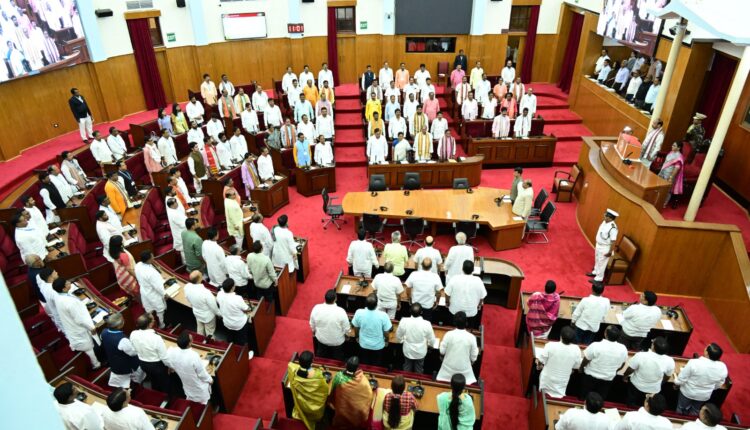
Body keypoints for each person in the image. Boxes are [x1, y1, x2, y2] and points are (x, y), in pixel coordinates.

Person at [53, 277, 101, 369]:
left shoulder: (59, 296)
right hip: (79, 328)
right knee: (88, 348)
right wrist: (91, 328)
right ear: (63, 288)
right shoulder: (70, 302)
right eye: (66, 282)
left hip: (71, 326)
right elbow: (80, 319)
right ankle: (96, 365)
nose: (68, 282)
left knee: (84, 345)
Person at [674, 343, 728, 416]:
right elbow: (719, 384)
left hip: (687, 392)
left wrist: (676, 381)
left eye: (706, 347)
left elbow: (681, 379)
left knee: (681, 408)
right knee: (695, 411)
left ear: (707, 353)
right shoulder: (722, 367)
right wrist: (710, 388)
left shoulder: (694, 362)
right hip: (704, 395)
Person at [622, 337, 675, 407]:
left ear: (653, 346)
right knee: (648, 405)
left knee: (631, 402)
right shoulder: (670, 361)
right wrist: (661, 383)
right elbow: (667, 376)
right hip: (653, 389)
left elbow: (631, 369)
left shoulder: (641, 355)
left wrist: (625, 376)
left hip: (636, 386)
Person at [579, 325, 628, 399]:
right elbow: (623, 364)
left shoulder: (596, 345)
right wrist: (614, 371)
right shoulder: (623, 348)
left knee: (584, 396)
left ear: (605, 334)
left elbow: (586, 359)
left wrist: (581, 368)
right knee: (600, 398)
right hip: (608, 378)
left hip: (590, 377)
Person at [165, 331, 213, 404]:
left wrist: (170, 367)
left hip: (186, 385)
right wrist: (210, 380)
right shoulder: (194, 356)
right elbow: (201, 374)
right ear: (189, 343)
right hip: (199, 386)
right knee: (203, 403)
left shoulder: (172, 351)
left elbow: (167, 358)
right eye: (191, 339)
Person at [328, 356, 374, 429]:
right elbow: (370, 395)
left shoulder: (339, 377)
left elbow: (333, 392)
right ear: (357, 368)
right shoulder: (363, 379)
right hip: (356, 415)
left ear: (346, 365)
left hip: (341, 411)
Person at [101, 313, 144, 389]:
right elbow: (133, 353)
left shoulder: (103, 332)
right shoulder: (122, 340)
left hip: (113, 361)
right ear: (120, 325)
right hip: (125, 365)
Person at [129, 313, 171, 393]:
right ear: (150, 324)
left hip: (143, 363)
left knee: (153, 379)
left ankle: (155, 393)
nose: (154, 321)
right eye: (153, 320)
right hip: (157, 365)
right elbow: (164, 357)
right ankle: (167, 398)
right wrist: (169, 366)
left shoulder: (133, 334)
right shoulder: (156, 338)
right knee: (165, 383)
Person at [287, 350, 329, 430]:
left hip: (301, 405)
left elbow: (290, 365)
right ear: (312, 362)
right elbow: (325, 390)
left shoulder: (294, 372)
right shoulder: (318, 375)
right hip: (314, 409)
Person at [537, 326, 582, 398]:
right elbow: (576, 366)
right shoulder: (577, 350)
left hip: (547, 379)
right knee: (558, 397)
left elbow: (541, 360)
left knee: (542, 396)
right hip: (562, 381)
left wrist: (539, 366)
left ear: (560, 336)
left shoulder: (550, 345)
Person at [437, 311, 479, 385]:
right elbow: (474, 358)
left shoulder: (448, 334)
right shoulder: (472, 337)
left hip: (447, 370)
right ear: (466, 323)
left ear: (454, 322)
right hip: (465, 371)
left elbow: (442, 351)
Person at [351, 294, 392, 367]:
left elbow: (356, 327)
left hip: (363, 344)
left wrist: (357, 337)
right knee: (376, 365)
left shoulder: (359, 312)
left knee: (364, 362)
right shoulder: (383, 315)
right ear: (377, 304)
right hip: (378, 346)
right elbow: (386, 332)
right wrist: (386, 341)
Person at [309, 289, 350, 361]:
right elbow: (346, 328)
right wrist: (347, 336)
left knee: (321, 359)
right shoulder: (341, 311)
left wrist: (314, 332)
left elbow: (312, 324)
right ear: (336, 299)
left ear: (324, 298)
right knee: (338, 360)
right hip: (337, 342)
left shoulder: (316, 308)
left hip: (321, 339)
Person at [445, 260, 486, 327]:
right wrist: (479, 305)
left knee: (454, 327)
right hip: (471, 311)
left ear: (462, 268)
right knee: (469, 327)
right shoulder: (478, 280)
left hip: (455, 310)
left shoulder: (455, 278)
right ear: (473, 270)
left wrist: (447, 302)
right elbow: (482, 296)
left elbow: (447, 293)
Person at [397, 303, 436, 373]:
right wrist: (431, 345)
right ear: (421, 312)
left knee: (407, 368)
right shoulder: (427, 324)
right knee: (419, 369)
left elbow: (398, 336)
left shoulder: (404, 321)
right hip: (420, 352)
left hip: (407, 350)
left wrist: (401, 341)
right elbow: (432, 339)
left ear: (410, 311)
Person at [135, 251, 168, 328]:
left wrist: (159, 277)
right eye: (152, 257)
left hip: (144, 291)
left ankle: (149, 322)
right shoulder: (151, 273)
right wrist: (165, 294)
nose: (153, 258)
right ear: (149, 259)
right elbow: (158, 286)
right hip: (153, 294)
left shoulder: (138, 265)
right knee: (160, 311)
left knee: (149, 309)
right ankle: (162, 325)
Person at [586, 209, 619, 288]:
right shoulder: (604, 222)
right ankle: (595, 272)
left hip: (605, 247)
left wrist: (610, 252)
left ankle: (599, 279)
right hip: (599, 245)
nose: (605, 216)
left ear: (611, 218)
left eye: (607, 216)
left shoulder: (613, 228)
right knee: (597, 259)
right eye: (605, 214)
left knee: (602, 263)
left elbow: (613, 241)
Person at [184, 271, 221, 340]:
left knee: (200, 329)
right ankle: (210, 343)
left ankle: (199, 340)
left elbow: (187, 298)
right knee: (210, 332)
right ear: (200, 279)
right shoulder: (206, 293)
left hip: (196, 312)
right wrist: (219, 314)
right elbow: (214, 307)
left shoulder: (186, 287)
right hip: (208, 316)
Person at [217, 279, 251, 347]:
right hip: (239, 324)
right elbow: (247, 309)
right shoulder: (237, 298)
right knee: (242, 341)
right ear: (232, 287)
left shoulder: (219, 294)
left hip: (227, 323)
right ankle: (244, 354)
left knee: (231, 339)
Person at [658, 142, 685, 208]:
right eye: (672, 144)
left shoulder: (679, 157)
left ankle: (663, 204)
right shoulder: (671, 152)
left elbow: (677, 168)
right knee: (659, 187)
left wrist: (671, 177)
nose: (672, 146)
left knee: (667, 190)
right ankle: (657, 200)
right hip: (663, 171)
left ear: (679, 148)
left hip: (669, 174)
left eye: (674, 145)